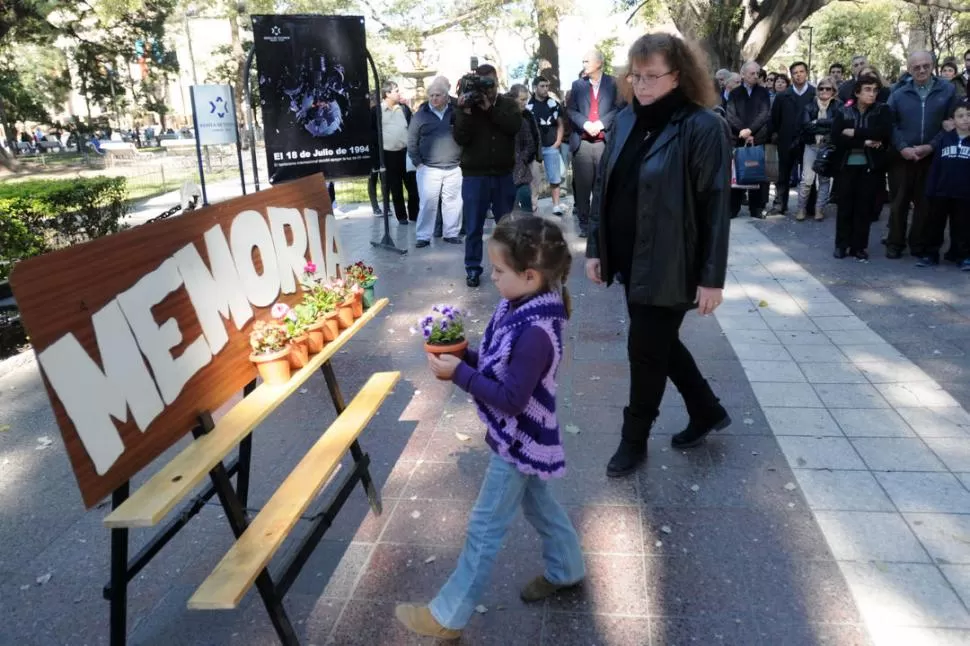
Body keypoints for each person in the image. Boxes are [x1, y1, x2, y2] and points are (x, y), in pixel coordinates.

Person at [396, 216, 584, 640]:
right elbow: (503, 367)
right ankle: (568, 569)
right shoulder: (520, 308)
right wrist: (466, 358)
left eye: (499, 271)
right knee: (540, 506)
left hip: (520, 441)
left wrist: (459, 375)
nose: (493, 278)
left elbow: (512, 398)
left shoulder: (534, 330)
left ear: (530, 275)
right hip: (526, 437)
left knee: (484, 526)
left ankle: (448, 617)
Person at [586, 32, 731, 478]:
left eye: (653, 76)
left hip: (674, 262)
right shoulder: (627, 119)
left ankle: (634, 440)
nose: (642, 85)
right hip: (630, 257)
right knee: (658, 342)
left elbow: (715, 206)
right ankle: (706, 409)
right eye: (636, 75)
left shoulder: (704, 126)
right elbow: (604, 189)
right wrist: (597, 248)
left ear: (678, 76)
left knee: (644, 348)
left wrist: (712, 278)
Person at [887, 51, 958, 263]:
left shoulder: (947, 90)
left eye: (926, 66)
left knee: (924, 203)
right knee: (899, 202)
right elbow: (889, 123)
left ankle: (918, 243)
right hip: (902, 157)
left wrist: (931, 146)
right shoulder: (898, 93)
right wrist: (902, 148)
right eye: (916, 67)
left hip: (931, 156)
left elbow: (950, 123)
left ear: (932, 66)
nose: (921, 70)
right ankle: (895, 243)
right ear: (909, 69)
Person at [454, 64, 521, 287]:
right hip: (475, 176)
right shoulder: (467, 106)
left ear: (497, 81)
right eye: (482, 83)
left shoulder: (508, 104)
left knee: (504, 227)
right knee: (473, 226)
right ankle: (472, 268)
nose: (487, 89)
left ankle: (507, 266)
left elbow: (513, 126)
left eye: (489, 83)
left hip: (503, 175)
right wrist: (464, 111)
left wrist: (490, 109)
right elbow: (460, 138)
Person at [831, 74, 893, 260]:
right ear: (857, 92)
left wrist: (856, 132)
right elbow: (837, 138)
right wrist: (865, 141)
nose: (872, 94)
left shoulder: (882, 110)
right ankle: (841, 245)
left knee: (863, 208)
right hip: (846, 166)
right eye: (867, 90)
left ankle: (858, 247)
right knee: (845, 207)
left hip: (870, 167)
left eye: (875, 90)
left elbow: (883, 133)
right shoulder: (844, 110)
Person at [567, 50, 620, 237]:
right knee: (582, 188)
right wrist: (585, 123)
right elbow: (571, 111)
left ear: (599, 63)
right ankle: (584, 224)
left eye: (587, 60)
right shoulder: (577, 85)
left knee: (605, 186)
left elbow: (618, 108)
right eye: (583, 60)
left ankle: (603, 223)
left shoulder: (613, 83)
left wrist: (601, 124)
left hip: (604, 143)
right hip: (583, 144)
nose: (584, 63)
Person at [408, 76, 463, 248]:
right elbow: (411, 141)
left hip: (454, 166)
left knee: (453, 202)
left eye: (438, 95)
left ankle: (451, 233)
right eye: (431, 95)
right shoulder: (420, 116)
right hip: (429, 168)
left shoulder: (456, 112)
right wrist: (418, 163)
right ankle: (423, 236)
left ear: (447, 96)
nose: (434, 98)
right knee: (427, 204)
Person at [924, 98, 970, 270]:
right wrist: (931, 188)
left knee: (963, 226)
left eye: (969, 115)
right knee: (935, 224)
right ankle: (931, 254)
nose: (965, 119)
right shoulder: (944, 139)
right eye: (961, 116)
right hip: (941, 191)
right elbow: (935, 166)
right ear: (953, 120)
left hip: (964, 193)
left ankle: (962, 255)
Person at [727, 61, 772, 219]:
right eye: (752, 73)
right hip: (738, 139)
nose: (755, 76)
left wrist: (750, 130)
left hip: (757, 138)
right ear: (743, 74)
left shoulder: (763, 92)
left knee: (756, 174)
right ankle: (733, 208)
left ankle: (756, 208)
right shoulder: (735, 93)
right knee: (737, 174)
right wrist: (742, 131)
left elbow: (764, 113)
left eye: (757, 73)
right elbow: (730, 115)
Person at [770, 61, 816, 216]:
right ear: (791, 75)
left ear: (806, 73)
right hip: (786, 140)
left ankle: (809, 206)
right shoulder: (783, 96)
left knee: (808, 175)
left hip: (808, 141)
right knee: (783, 174)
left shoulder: (814, 94)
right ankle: (780, 204)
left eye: (801, 71)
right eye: (795, 72)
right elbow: (775, 119)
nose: (798, 75)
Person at [797, 76, 842, 221]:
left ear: (833, 91)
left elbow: (837, 125)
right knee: (807, 179)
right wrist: (824, 126)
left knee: (824, 180)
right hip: (811, 146)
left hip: (827, 147)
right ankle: (801, 209)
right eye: (821, 88)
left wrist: (818, 122)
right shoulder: (809, 106)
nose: (824, 91)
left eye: (828, 88)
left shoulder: (838, 106)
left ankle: (819, 210)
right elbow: (806, 126)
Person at [376, 81, 419, 224]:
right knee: (396, 187)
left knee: (413, 186)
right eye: (396, 90)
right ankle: (401, 217)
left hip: (406, 153)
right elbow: (372, 132)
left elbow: (412, 128)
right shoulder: (377, 111)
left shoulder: (404, 109)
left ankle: (415, 215)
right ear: (387, 93)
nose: (399, 93)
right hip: (388, 155)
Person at [527, 76, 566, 215]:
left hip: (551, 146)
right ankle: (533, 206)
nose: (545, 89)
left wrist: (558, 142)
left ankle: (556, 205)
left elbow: (561, 124)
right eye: (542, 86)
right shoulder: (528, 106)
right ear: (535, 87)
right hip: (534, 149)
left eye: (546, 86)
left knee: (555, 177)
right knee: (533, 179)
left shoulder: (553, 104)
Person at [508, 84, 541, 213]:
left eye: (526, 99)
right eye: (522, 100)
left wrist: (522, 159)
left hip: (522, 169)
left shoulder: (526, 117)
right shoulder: (503, 116)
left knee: (527, 210)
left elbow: (531, 142)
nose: (524, 103)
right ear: (513, 99)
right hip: (506, 170)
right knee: (511, 211)